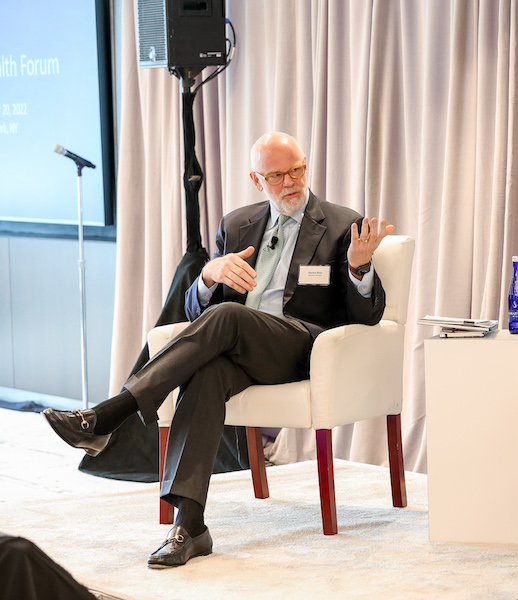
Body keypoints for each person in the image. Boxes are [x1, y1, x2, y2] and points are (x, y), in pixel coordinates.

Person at [43, 132, 394, 568]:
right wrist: (208, 275)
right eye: (277, 175)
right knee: (207, 374)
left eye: (297, 170)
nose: (291, 182)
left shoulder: (342, 224)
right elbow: (195, 312)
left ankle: (111, 413)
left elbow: (364, 316)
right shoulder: (236, 224)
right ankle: (190, 526)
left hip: (301, 347)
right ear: (255, 179)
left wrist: (360, 267)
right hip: (238, 348)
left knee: (229, 314)